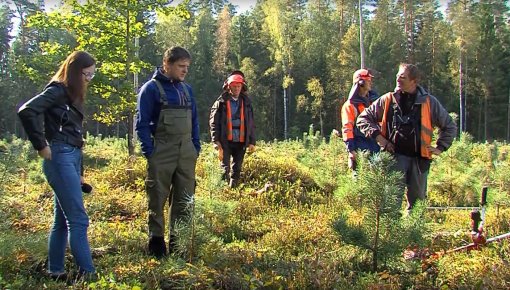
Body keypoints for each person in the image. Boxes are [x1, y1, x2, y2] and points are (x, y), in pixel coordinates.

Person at [17, 51, 97, 279]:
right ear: (74, 72)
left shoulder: (72, 96)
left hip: (71, 157)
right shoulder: (57, 91)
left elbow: (76, 135)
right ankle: (88, 275)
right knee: (79, 219)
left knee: (62, 220)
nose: (88, 80)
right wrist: (41, 145)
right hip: (59, 156)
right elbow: (27, 111)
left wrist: (80, 172)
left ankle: (55, 271)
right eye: (86, 74)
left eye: (92, 75)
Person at [357, 63, 457, 209]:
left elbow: (449, 125)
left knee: (417, 207)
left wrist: (440, 147)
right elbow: (363, 119)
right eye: (397, 75)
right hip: (393, 158)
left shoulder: (429, 102)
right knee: (390, 205)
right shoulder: (387, 100)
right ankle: (390, 232)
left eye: (402, 77)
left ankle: (414, 232)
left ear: (414, 81)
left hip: (419, 161)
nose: (398, 79)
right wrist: (381, 140)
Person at [135, 46, 200, 258]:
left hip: (186, 151)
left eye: (187, 67)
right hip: (161, 150)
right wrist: (150, 152)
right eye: (181, 66)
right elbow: (142, 124)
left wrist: (195, 147)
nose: (185, 71)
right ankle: (156, 243)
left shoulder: (187, 90)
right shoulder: (150, 89)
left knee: (184, 197)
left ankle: (178, 243)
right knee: (157, 197)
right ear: (167, 65)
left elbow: (195, 121)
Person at [209, 70, 256, 188]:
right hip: (225, 141)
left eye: (238, 86)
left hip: (241, 141)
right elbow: (213, 122)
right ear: (229, 87)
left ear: (242, 87)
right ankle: (223, 192)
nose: (236, 89)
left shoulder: (247, 103)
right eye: (234, 86)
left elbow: (251, 123)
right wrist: (216, 141)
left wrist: (252, 142)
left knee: (237, 168)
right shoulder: (221, 102)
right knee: (224, 168)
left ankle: (232, 190)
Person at [340, 68, 380, 172]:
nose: (370, 82)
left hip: (376, 145)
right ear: (361, 83)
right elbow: (347, 128)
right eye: (368, 80)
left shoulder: (375, 102)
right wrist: (351, 150)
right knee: (360, 179)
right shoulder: (349, 106)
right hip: (359, 147)